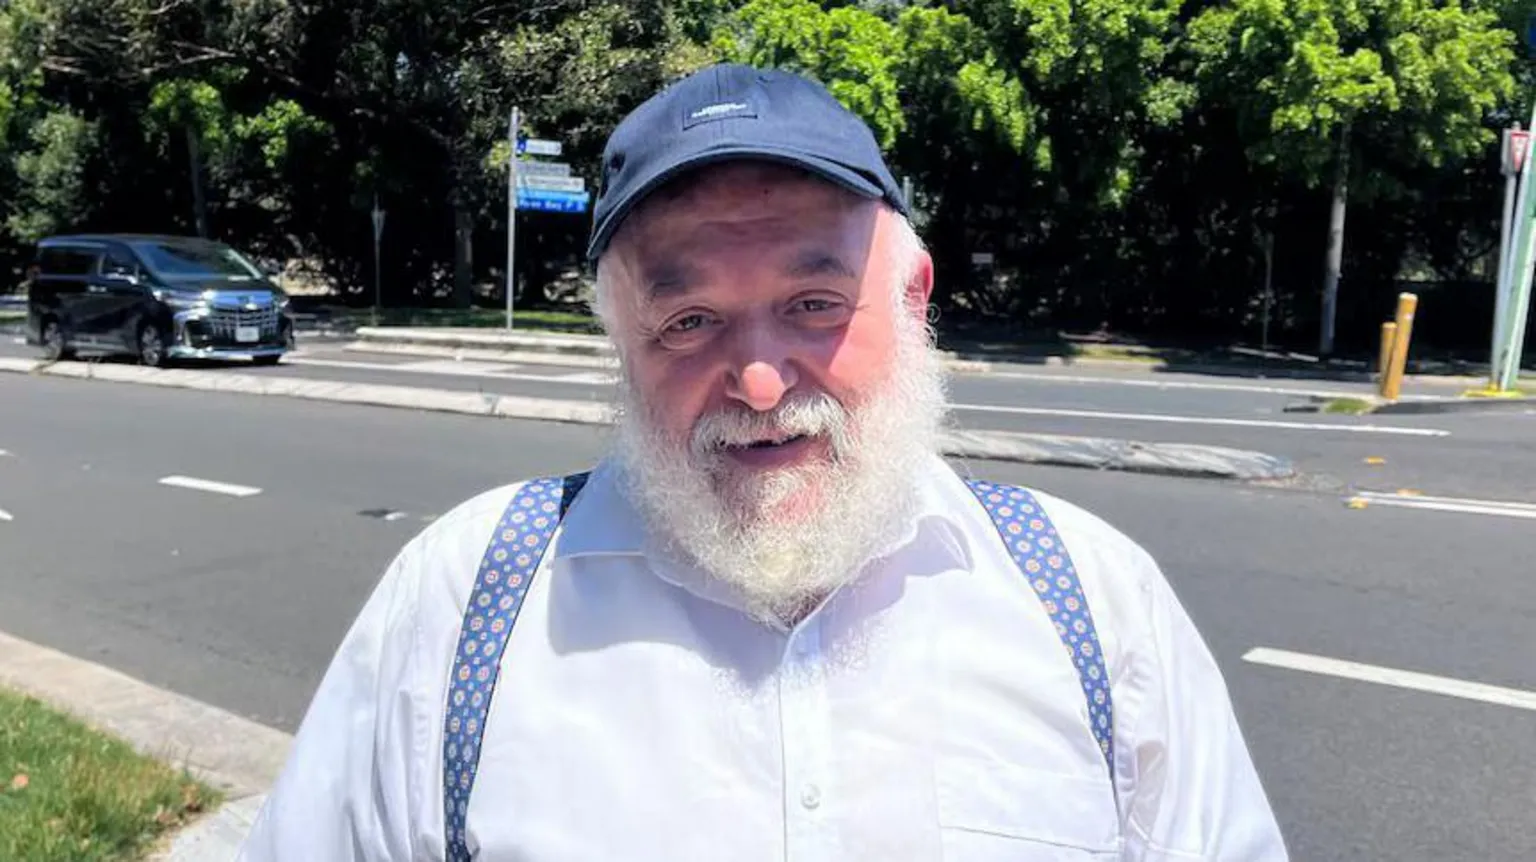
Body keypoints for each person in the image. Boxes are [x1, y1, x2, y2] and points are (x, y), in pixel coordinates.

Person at [238, 63, 1288, 861]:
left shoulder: (1096, 607)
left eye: (814, 304)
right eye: (689, 320)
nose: (757, 380)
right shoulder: (464, 605)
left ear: (912, 300)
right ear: (620, 342)